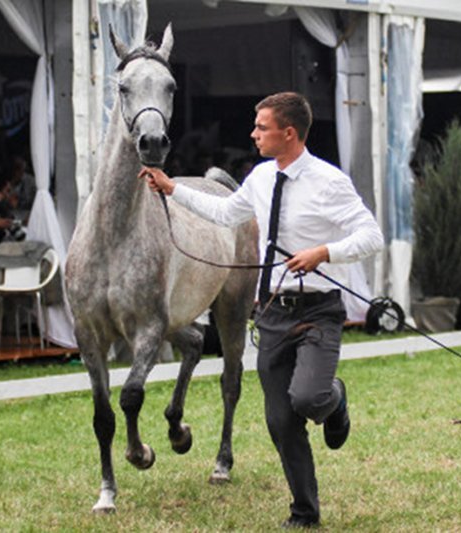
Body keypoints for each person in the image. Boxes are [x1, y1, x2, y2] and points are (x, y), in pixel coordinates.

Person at [141, 92, 384, 529]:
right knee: (280, 421)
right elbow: (224, 213)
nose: (253, 134)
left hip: (317, 311)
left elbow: (371, 236)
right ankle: (304, 513)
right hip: (272, 313)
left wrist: (323, 252)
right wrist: (172, 188)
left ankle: (336, 399)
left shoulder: (329, 182)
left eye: (262, 128)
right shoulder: (258, 177)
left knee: (309, 398)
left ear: (288, 133)